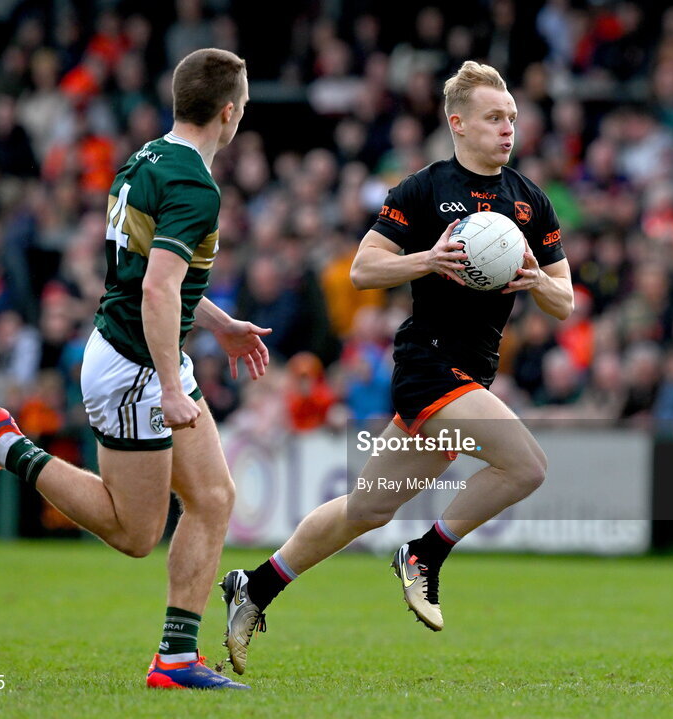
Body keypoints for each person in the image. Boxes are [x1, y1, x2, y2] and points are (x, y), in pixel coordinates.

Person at [0, 48, 270, 691]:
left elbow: (155, 274)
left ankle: (176, 660)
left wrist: (220, 327)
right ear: (229, 112)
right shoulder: (194, 182)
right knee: (134, 532)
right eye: (243, 105)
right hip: (139, 365)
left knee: (213, 498)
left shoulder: (147, 158)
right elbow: (158, 292)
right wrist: (169, 384)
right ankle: (5, 444)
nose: (242, 114)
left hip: (136, 351)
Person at [220, 61, 574, 675]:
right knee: (526, 465)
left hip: (473, 373)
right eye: (494, 118)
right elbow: (363, 270)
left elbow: (565, 301)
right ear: (457, 123)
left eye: (512, 118)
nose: (507, 128)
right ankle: (426, 554)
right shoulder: (422, 190)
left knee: (366, 507)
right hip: (428, 364)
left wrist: (538, 279)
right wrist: (429, 260)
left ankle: (254, 587)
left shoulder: (529, 201)